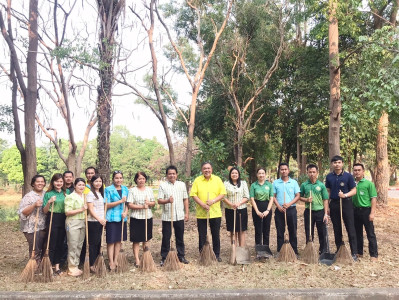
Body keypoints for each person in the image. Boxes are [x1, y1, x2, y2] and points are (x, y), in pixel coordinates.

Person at [190, 162, 226, 262]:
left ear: (212, 169)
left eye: (208, 168)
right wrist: (202, 204)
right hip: (202, 214)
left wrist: (213, 201)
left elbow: (222, 193)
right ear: (202, 170)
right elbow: (193, 194)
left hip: (215, 213)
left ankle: (216, 254)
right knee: (202, 235)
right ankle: (203, 254)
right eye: (205, 168)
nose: (207, 170)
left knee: (215, 234)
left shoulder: (217, 179)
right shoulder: (197, 180)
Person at [325, 155, 357, 260]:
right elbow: (328, 192)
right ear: (332, 164)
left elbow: (354, 190)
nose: (337, 164)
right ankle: (339, 250)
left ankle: (354, 252)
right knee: (337, 228)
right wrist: (327, 206)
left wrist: (345, 195)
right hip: (334, 204)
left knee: (350, 227)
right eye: (335, 163)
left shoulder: (348, 176)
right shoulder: (329, 176)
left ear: (342, 163)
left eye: (339, 162)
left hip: (346, 203)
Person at [158, 166, 189, 266]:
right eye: (170, 174)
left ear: (176, 174)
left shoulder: (182, 185)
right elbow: (159, 200)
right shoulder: (163, 186)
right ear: (167, 175)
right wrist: (167, 200)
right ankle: (164, 257)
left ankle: (181, 255)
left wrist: (187, 213)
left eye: (173, 173)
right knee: (166, 237)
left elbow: (185, 199)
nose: (172, 175)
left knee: (180, 236)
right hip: (167, 216)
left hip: (179, 215)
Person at [43, 173, 70, 275]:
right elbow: (44, 211)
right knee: (52, 243)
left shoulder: (66, 192)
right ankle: (49, 266)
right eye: (57, 181)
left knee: (60, 243)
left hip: (64, 217)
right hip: (52, 217)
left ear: (63, 182)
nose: (59, 183)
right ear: (53, 182)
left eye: (61, 181)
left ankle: (57, 266)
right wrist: (49, 202)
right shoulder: (48, 193)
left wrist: (68, 198)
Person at [127, 171, 156, 267]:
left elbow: (153, 203)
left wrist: (149, 203)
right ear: (136, 180)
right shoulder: (132, 190)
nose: (141, 180)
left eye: (143, 178)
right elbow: (130, 204)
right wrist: (142, 206)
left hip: (147, 217)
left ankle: (145, 256)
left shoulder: (149, 190)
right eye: (139, 179)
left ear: (145, 180)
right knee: (136, 240)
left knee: (146, 239)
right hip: (136, 218)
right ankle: (137, 260)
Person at [299, 164, 329, 254]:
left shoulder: (321, 185)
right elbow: (300, 197)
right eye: (310, 172)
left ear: (317, 173)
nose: (312, 174)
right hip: (309, 211)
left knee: (322, 232)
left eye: (314, 172)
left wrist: (325, 213)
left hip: (320, 211)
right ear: (307, 173)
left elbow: (325, 199)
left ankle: (323, 250)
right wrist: (307, 199)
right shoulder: (304, 185)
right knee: (309, 231)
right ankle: (309, 250)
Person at [18, 175, 47, 266]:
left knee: (44, 247)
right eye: (38, 182)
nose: (40, 183)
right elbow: (23, 212)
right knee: (35, 248)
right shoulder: (28, 196)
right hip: (31, 227)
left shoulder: (46, 194)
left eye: (42, 181)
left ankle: (42, 266)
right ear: (33, 184)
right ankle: (34, 267)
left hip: (44, 226)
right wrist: (34, 205)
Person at [273, 163, 300, 255]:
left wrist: (289, 204)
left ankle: (294, 251)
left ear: (288, 170)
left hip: (291, 209)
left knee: (293, 230)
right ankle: (280, 251)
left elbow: (297, 196)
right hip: (280, 210)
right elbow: (273, 196)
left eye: (285, 169)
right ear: (279, 171)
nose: (284, 171)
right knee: (280, 231)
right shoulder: (275, 183)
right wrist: (279, 207)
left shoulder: (294, 182)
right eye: (282, 169)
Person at [352, 163, 378, 261]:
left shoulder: (369, 184)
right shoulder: (352, 183)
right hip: (355, 211)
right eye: (355, 170)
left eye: (359, 170)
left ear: (363, 171)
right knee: (357, 233)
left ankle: (374, 255)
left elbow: (373, 199)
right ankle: (359, 252)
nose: (357, 172)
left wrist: (372, 213)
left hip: (366, 211)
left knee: (370, 233)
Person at [104, 171, 128, 271]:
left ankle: (116, 259)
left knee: (118, 240)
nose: (119, 180)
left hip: (122, 218)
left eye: (120, 178)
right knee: (111, 241)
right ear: (113, 179)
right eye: (116, 178)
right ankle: (110, 261)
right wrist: (119, 201)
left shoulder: (125, 189)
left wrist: (126, 212)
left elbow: (128, 204)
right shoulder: (108, 189)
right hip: (111, 218)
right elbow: (106, 205)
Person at [64, 178, 87, 276]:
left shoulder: (85, 196)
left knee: (79, 245)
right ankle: (71, 267)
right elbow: (67, 212)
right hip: (73, 222)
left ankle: (76, 265)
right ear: (75, 186)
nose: (81, 187)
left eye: (83, 185)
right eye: (79, 185)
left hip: (83, 222)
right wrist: (81, 209)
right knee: (72, 244)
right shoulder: (71, 197)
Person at [250, 167, 274, 254]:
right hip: (257, 207)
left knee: (266, 229)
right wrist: (257, 211)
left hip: (267, 207)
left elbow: (271, 198)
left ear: (265, 174)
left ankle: (266, 248)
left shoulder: (269, 185)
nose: (261, 175)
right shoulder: (253, 185)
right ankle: (258, 249)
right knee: (258, 229)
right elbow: (252, 199)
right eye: (259, 173)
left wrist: (268, 210)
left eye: (263, 173)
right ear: (257, 175)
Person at [224, 167, 249, 248]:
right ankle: (233, 248)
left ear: (238, 174)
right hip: (230, 210)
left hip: (241, 209)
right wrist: (231, 204)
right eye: (232, 173)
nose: (234, 174)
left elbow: (246, 196)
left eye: (236, 173)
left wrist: (238, 203)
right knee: (232, 230)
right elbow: (223, 197)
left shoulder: (243, 183)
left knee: (241, 230)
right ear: (230, 174)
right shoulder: (226, 183)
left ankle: (241, 248)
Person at [86, 175, 106, 271]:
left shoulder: (100, 193)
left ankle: (98, 262)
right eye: (96, 181)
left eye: (100, 181)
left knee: (99, 242)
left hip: (100, 222)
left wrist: (102, 219)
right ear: (92, 183)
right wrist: (99, 219)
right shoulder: (90, 194)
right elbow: (91, 209)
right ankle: (92, 264)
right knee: (93, 243)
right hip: (93, 221)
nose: (98, 183)